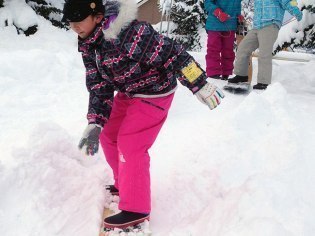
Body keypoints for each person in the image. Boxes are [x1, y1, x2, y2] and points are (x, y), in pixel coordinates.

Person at [62, 0, 225, 229]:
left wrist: (199, 82)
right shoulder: (90, 44)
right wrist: (95, 123)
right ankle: (125, 184)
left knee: (131, 143)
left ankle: (136, 208)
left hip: (155, 93)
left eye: (78, 21)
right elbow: (99, 86)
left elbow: (173, 53)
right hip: (130, 92)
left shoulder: (128, 34)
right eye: (70, 23)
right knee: (109, 135)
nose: (74, 27)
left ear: (98, 17)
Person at [228, 0, 303, 90]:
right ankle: (241, 75)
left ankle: (263, 82)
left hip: (271, 24)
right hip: (257, 26)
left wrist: (297, 12)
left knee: (264, 53)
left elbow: (287, 2)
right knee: (243, 48)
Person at [204, 0, 243, 80]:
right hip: (214, 24)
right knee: (213, 50)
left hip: (230, 25)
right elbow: (208, 3)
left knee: (228, 51)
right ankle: (213, 74)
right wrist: (218, 12)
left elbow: (237, 5)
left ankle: (226, 73)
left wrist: (238, 15)